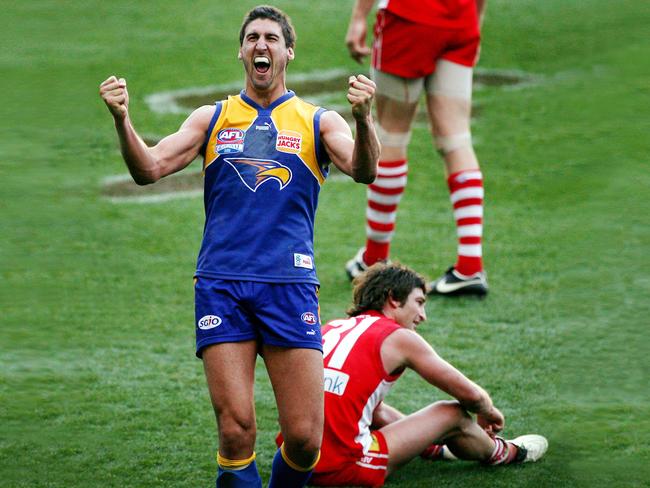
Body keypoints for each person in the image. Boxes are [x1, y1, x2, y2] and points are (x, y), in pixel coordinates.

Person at [99, 5, 380, 487]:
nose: (261, 45)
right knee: (235, 431)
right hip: (221, 283)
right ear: (242, 51)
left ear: (288, 51)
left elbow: (364, 169)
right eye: (252, 37)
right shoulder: (212, 117)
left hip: (288, 286)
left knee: (306, 438)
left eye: (272, 38)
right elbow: (148, 169)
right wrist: (123, 119)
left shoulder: (318, 121)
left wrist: (363, 117)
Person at [303, 262, 547, 486]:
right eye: (419, 302)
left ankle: (432, 448)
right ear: (394, 299)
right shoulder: (397, 336)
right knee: (451, 412)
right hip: (346, 467)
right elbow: (471, 396)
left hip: (299, 461)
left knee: (377, 411)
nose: (423, 315)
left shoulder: (332, 327)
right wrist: (489, 412)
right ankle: (507, 452)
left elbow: (372, 411)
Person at [344, 0, 490, 296]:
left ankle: (375, 260)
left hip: (409, 15)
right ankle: (470, 265)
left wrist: (359, 16)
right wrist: (475, 20)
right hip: (461, 18)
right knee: (457, 139)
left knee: (392, 136)